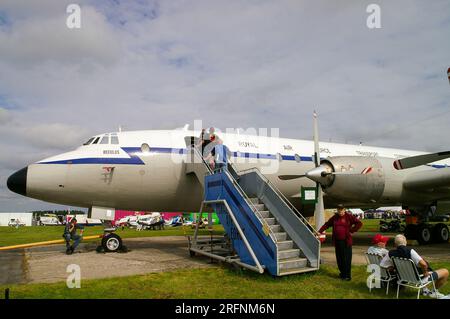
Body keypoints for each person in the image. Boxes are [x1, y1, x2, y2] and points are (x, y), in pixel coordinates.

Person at [380, 234, 449, 298]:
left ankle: (425, 290)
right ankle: (433, 292)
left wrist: (393, 268)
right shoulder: (410, 251)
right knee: (445, 272)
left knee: (417, 267)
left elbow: (382, 264)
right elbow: (423, 264)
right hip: (417, 278)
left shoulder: (390, 253)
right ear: (405, 242)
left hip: (402, 277)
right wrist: (425, 272)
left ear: (395, 244)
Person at [318, 204, 362, 281]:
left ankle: (347, 276)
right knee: (339, 258)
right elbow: (327, 224)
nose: (340, 211)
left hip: (346, 241)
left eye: (341, 210)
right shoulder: (335, 217)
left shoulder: (349, 216)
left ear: (344, 210)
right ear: (337, 210)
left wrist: (352, 230)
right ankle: (342, 273)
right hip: (337, 241)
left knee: (346, 259)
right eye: (339, 210)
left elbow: (359, 223)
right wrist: (320, 231)